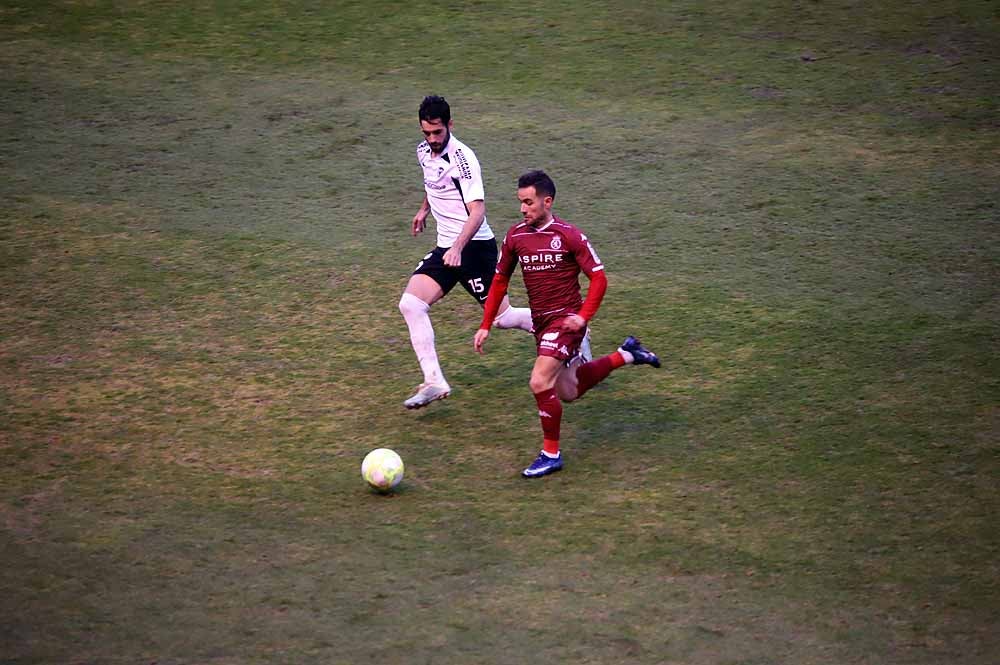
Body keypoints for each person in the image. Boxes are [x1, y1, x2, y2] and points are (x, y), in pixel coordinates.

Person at [474, 170, 660, 478]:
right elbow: (499, 280)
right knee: (569, 391)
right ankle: (627, 353)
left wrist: (583, 317)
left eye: (529, 202)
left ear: (547, 202)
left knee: (538, 381)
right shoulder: (515, 237)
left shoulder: (569, 235)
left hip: (566, 323)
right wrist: (485, 324)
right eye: (520, 202)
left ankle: (551, 454)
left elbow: (599, 279)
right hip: (541, 322)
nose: (523, 209)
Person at [399, 95, 536, 409]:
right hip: (448, 248)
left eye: (437, 133)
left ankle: (567, 325)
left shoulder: (463, 158)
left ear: (450, 125)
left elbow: (477, 212)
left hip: (473, 247)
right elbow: (432, 183)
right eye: (426, 133)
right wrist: (423, 211)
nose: (432, 140)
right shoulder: (424, 152)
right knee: (411, 304)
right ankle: (433, 381)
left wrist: (458, 248)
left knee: (503, 318)